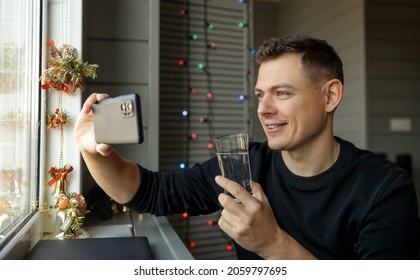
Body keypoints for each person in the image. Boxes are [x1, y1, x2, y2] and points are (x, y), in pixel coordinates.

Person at [74, 35, 420, 259]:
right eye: (260, 95)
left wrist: (273, 244)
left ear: (330, 96)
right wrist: (92, 150)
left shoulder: (386, 189)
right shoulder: (243, 165)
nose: (263, 109)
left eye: (282, 93)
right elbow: (148, 192)